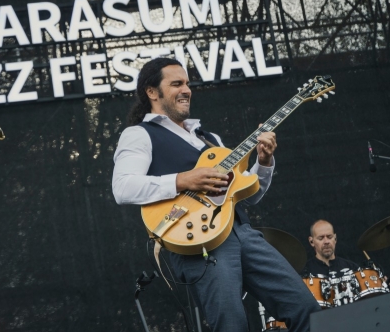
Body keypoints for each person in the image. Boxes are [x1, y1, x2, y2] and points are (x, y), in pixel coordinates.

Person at [112, 58, 320, 332]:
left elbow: (247, 195)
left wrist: (264, 161)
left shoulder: (211, 138)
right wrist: (183, 180)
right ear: (152, 92)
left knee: (307, 308)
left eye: (187, 83)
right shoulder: (139, 134)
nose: (187, 89)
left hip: (242, 232)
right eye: (176, 84)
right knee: (231, 325)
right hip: (198, 241)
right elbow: (123, 188)